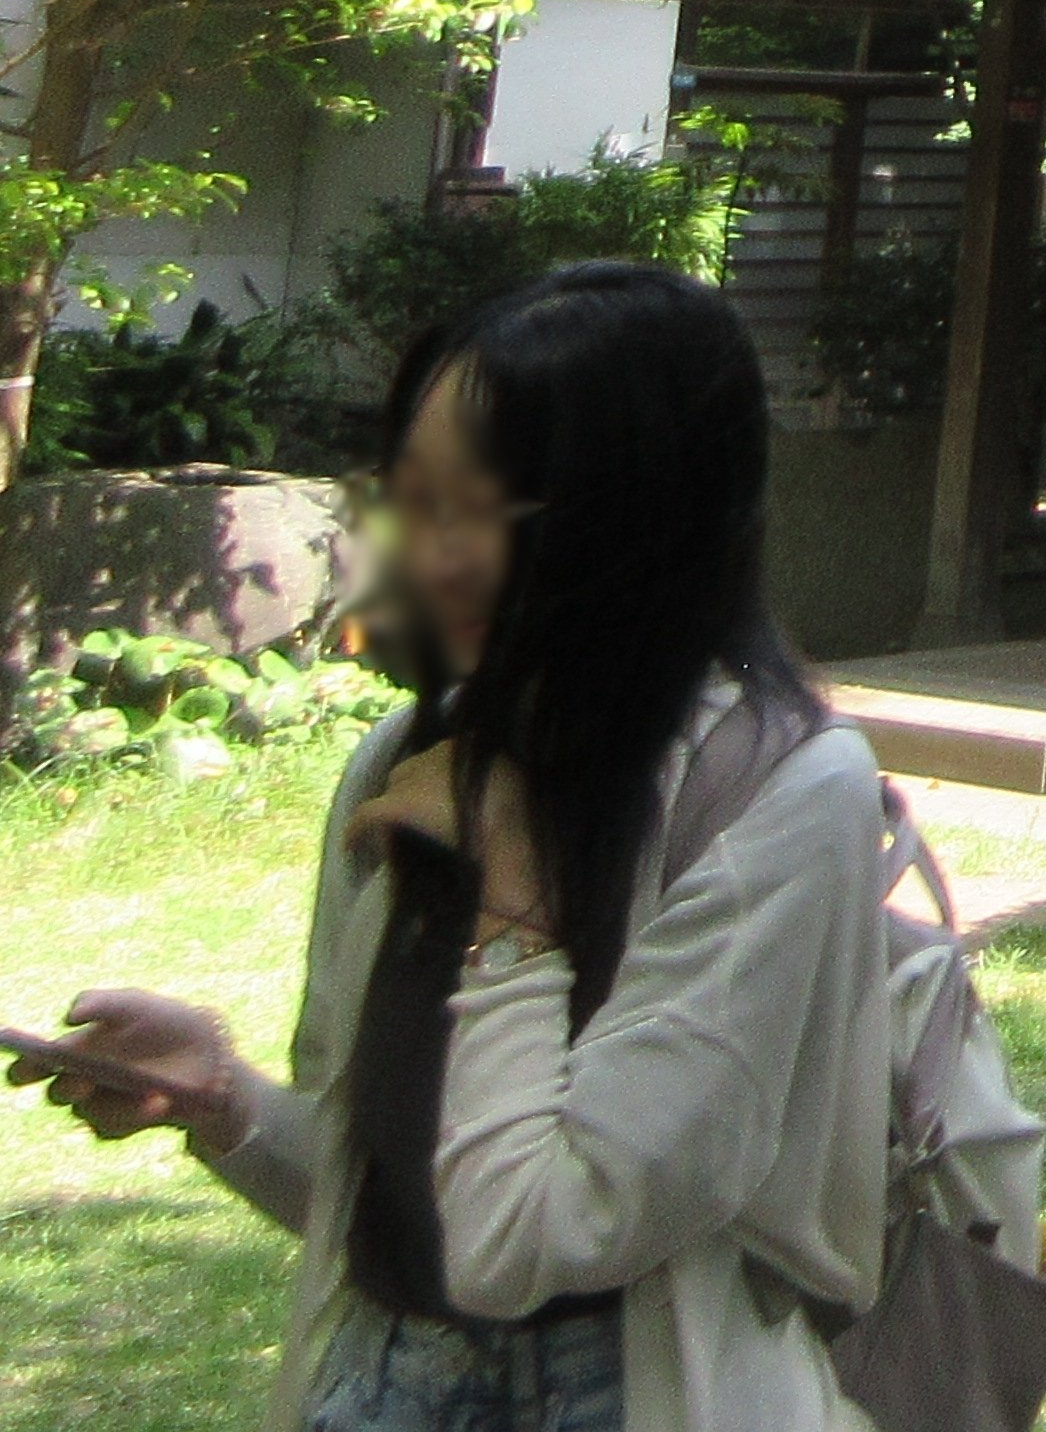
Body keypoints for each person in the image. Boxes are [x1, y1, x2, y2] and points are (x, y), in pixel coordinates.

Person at [17, 260, 950, 1432]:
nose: (411, 548)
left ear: (631, 524)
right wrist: (224, 1102)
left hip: (628, 1392)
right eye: (403, 493)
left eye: (468, 507)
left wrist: (515, 901)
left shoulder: (779, 791)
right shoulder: (406, 756)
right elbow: (400, 1200)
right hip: (375, 1380)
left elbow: (541, 1235)